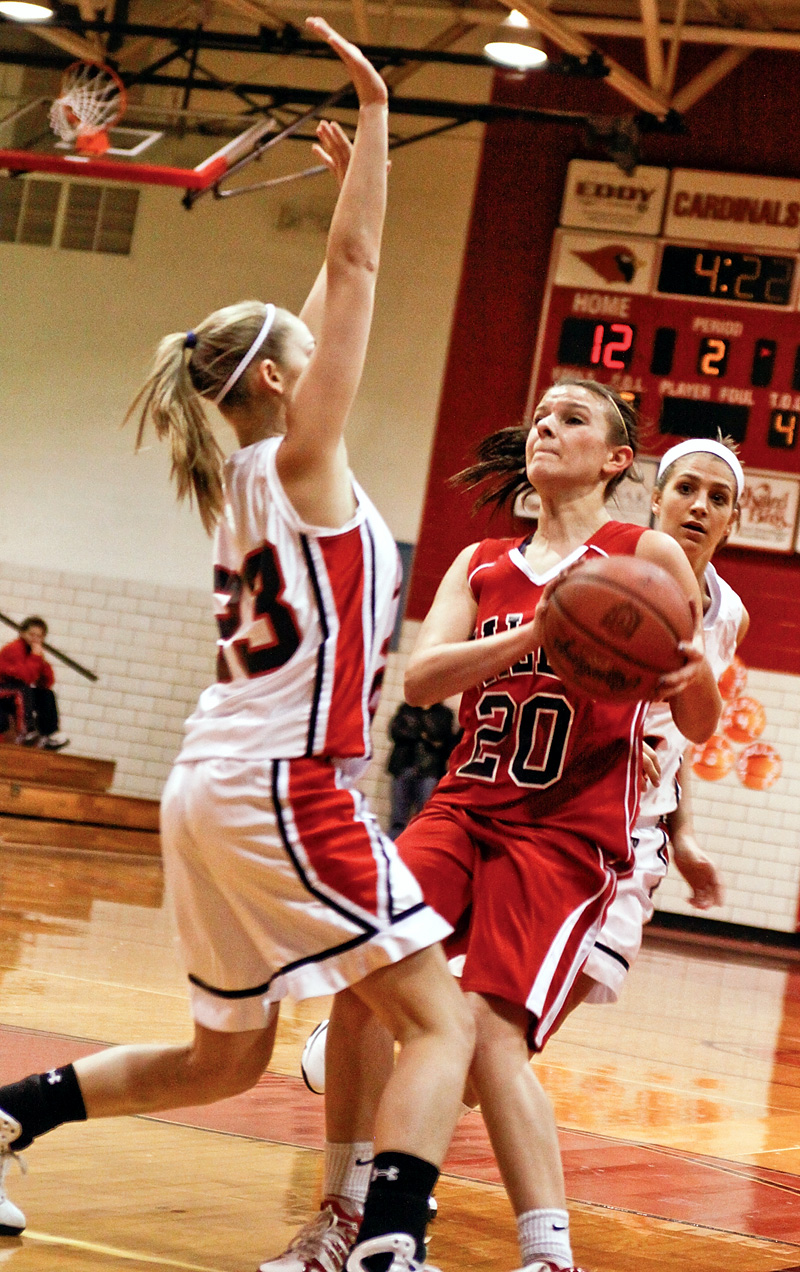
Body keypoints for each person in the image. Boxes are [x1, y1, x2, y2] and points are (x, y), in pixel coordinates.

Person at [0, 22, 474, 1272]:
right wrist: (376, 119)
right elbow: (358, 269)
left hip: (216, 784)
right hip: (282, 786)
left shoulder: (248, 468)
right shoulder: (302, 464)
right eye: (303, 359)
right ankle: (387, 1246)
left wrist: (331, 211)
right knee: (440, 1025)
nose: (329, 362)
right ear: (275, 383)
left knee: (228, 1057)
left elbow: (316, 305)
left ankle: (5, 1119)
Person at [265, 377, 723, 1272]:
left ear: (618, 458)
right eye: (541, 417)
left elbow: (700, 721)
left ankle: (547, 1253)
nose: (548, 427)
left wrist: (688, 676)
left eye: (574, 419)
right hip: (463, 807)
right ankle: (342, 1215)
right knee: (362, 977)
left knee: (483, 1028)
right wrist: (537, 633)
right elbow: (424, 679)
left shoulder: (649, 557)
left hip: (565, 833)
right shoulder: (481, 564)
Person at [572, 437, 748, 1011]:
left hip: (639, 831)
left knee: (531, 1028)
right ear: (656, 498)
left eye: (717, 498)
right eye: (686, 489)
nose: (700, 505)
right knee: (498, 1014)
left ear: (732, 521)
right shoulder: (601, 577)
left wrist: (684, 835)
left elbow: (680, 741)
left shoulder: (731, 616)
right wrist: (606, 734)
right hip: (567, 802)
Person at [387, 700, 456, 837]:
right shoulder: (406, 708)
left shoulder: (443, 713)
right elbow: (395, 732)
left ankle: (415, 853)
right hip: (403, 766)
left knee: (424, 817)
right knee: (398, 819)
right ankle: (392, 852)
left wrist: (417, 727)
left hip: (429, 770)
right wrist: (422, 734)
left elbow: (440, 737)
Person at [0, 617, 69, 750]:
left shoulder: (33, 652)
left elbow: (47, 682)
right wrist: (36, 657)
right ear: (22, 633)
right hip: (3, 690)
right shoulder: (13, 649)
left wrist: (42, 662)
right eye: (31, 634)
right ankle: (26, 731)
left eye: (39, 636)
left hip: (15, 692)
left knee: (47, 694)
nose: (35, 639)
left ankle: (49, 733)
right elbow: (24, 677)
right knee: (22, 689)